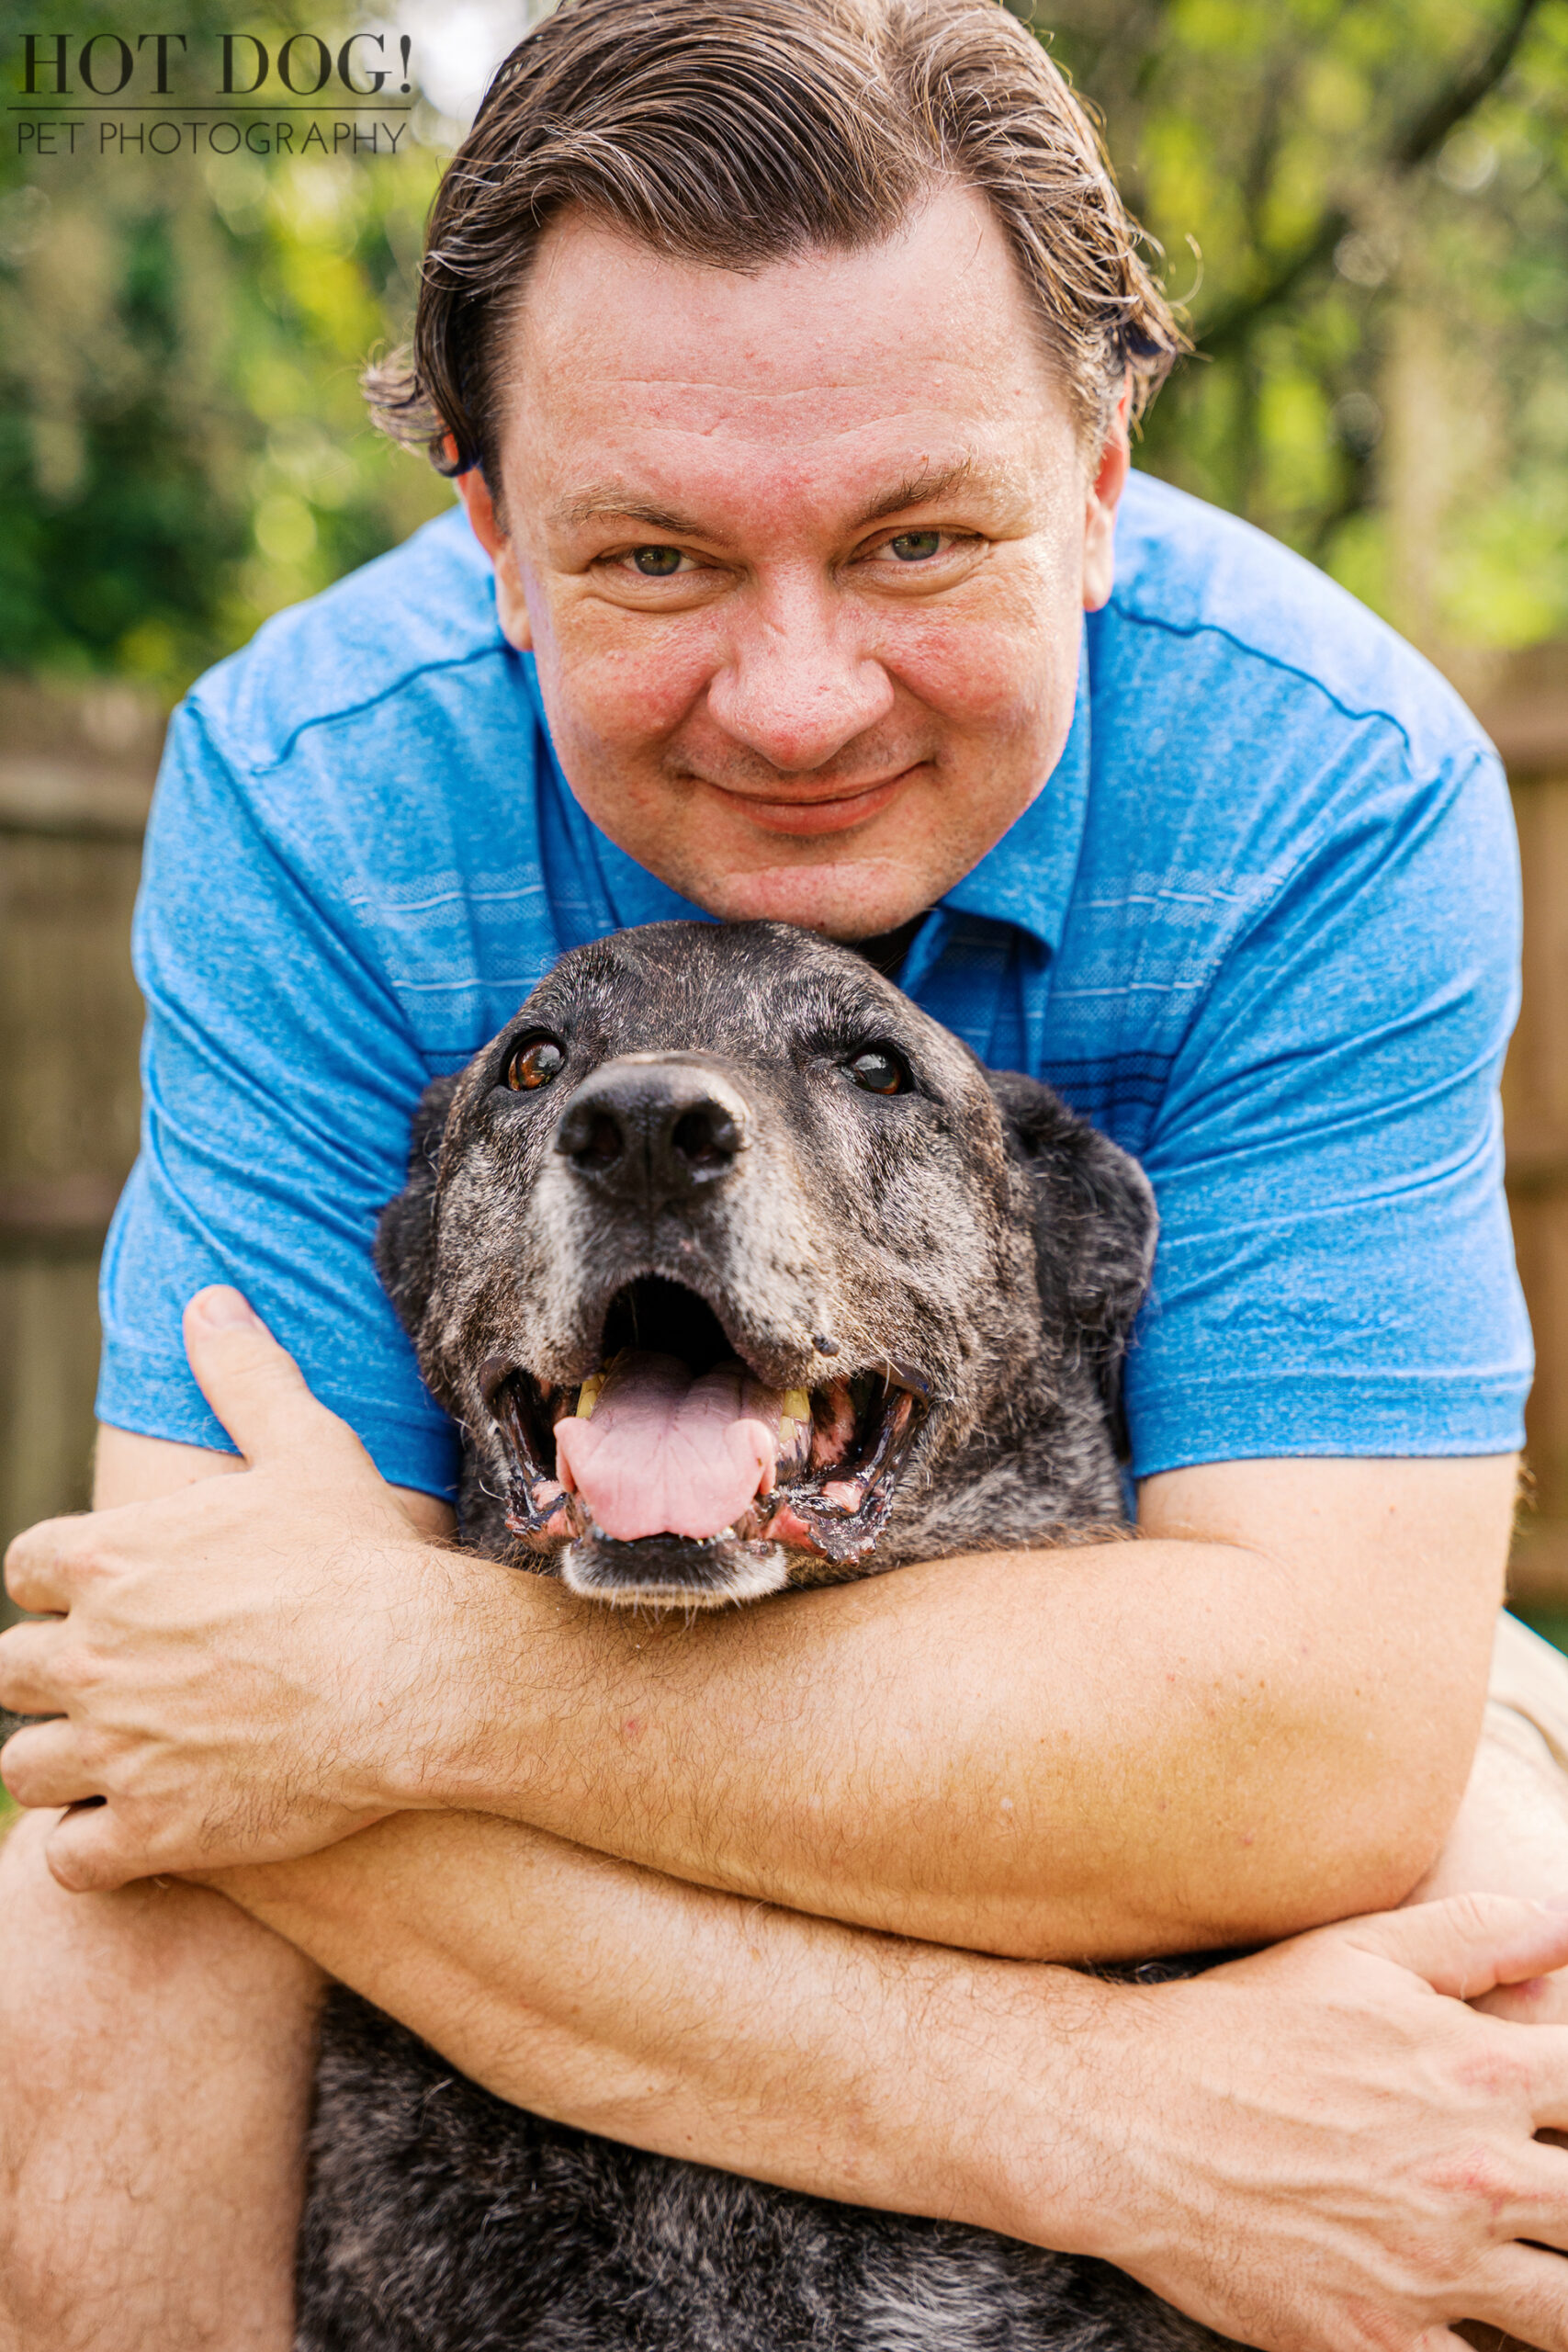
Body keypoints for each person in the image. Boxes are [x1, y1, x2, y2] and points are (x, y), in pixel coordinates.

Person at [6, 0, 1568, 2346]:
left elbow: (1313, 1739)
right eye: (651, 557)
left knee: (1507, 1961)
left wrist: (412, 1678)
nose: (800, 695)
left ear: (1105, 475)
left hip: (1153, 1620)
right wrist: (1109, 2113)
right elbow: (201, 1721)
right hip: (480, 1647)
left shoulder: (1323, 786)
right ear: (496, 537)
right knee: (81, 1961)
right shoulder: (314, 791)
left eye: (917, 536)